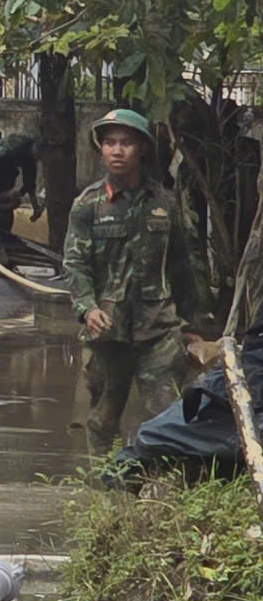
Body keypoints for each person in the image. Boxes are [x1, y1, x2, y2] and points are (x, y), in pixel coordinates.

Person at [63, 108, 206, 454]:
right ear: (101, 149)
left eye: (126, 142)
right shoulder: (88, 205)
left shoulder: (164, 203)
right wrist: (87, 307)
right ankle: (107, 493)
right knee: (102, 420)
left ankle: (161, 493)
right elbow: (74, 263)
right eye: (109, 142)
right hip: (106, 332)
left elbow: (182, 267)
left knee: (169, 417)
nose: (117, 150)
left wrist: (192, 325)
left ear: (141, 147)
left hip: (157, 330)